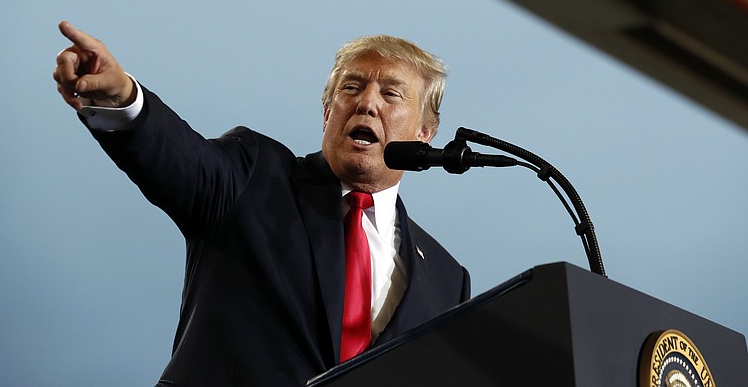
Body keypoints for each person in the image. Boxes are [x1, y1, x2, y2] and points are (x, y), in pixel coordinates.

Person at [53, 21, 470, 386]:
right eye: (352, 87)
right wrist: (120, 97)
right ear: (328, 113)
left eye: (392, 94)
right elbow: (179, 158)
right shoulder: (255, 175)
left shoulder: (448, 282)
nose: (367, 103)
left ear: (424, 133)